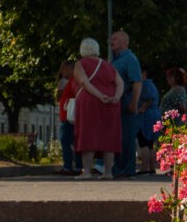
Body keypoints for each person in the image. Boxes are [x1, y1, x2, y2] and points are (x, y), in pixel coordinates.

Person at [72, 37, 123, 180]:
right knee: (108, 136)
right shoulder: (108, 65)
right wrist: (117, 97)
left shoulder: (80, 64)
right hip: (111, 102)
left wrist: (99, 95)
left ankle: (87, 171)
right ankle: (108, 172)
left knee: (88, 133)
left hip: (90, 101)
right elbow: (120, 83)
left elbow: (83, 82)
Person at [109, 31, 142, 178]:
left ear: (124, 42)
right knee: (118, 136)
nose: (111, 41)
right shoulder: (115, 59)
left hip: (126, 102)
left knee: (126, 137)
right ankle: (118, 168)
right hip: (117, 104)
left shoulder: (129, 59)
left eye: (114, 39)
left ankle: (127, 169)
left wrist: (134, 102)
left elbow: (136, 82)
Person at [55, 60, 82, 175]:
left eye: (65, 69)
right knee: (73, 142)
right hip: (68, 116)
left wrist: (60, 89)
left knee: (65, 141)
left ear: (72, 70)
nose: (62, 71)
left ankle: (68, 166)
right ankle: (77, 166)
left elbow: (60, 97)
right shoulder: (70, 81)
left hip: (68, 117)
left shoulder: (71, 82)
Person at [136, 66, 161, 175]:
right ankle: (151, 167)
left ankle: (144, 168)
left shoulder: (145, 84)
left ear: (144, 73)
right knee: (151, 143)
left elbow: (148, 98)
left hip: (146, 116)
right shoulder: (153, 85)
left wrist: (142, 108)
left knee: (144, 142)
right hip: (155, 114)